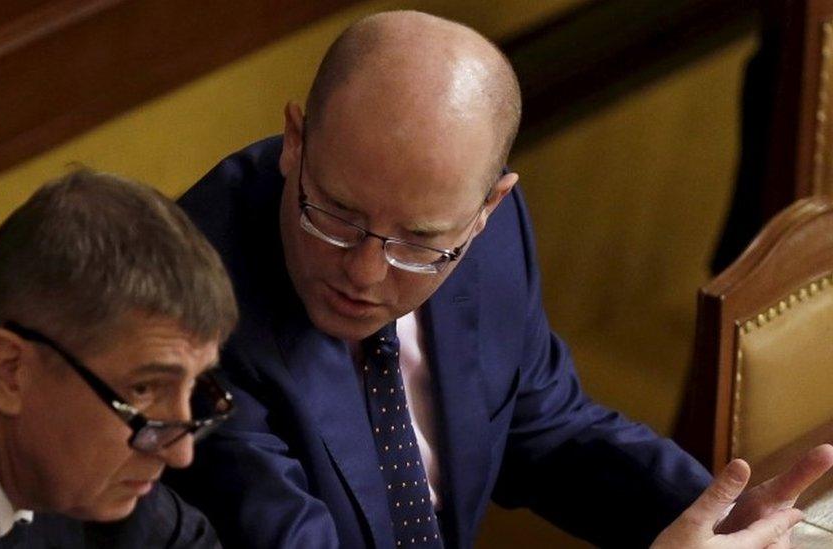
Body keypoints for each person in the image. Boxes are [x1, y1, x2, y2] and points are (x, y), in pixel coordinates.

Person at [167, 10, 833, 548]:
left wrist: (722, 518)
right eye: (337, 215)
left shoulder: (488, 233)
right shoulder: (184, 302)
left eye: (419, 242)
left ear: (487, 207)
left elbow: (551, 430)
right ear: (295, 139)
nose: (365, 271)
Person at [0, 170, 238, 548]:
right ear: (9, 371)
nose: (180, 452)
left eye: (194, 385)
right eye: (144, 388)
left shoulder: (85, 450)